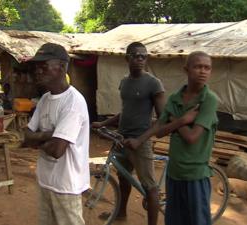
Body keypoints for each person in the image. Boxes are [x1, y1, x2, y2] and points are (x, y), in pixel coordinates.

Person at [133, 51, 217, 225]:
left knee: (197, 221)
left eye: (207, 68)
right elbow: (160, 132)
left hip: (196, 174)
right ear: (186, 69)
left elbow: (192, 137)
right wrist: (183, 120)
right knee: (174, 220)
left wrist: (175, 122)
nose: (203, 71)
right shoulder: (175, 98)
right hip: (175, 172)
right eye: (198, 66)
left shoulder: (209, 99)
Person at [92, 42, 165, 225]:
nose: (140, 59)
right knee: (123, 178)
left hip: (140, 141)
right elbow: (125, 110)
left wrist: (140, 140)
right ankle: (121, 213)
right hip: (122, 138)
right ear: (127, 58)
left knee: (150, 187)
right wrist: (104, 122)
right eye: (136, 55)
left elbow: (163, 119)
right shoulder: (124, 82)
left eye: (143, 56)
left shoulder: (153, 83)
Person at [24, 43, 90, 225]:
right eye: (36, 67)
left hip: (66, 186)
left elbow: (56, 150)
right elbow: (26, 136)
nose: (37, 71)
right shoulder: (45, 99)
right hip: (45, 181)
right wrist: (49, 135)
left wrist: (40, 139)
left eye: (43, 66)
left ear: (61, 67)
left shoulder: (73, 103)